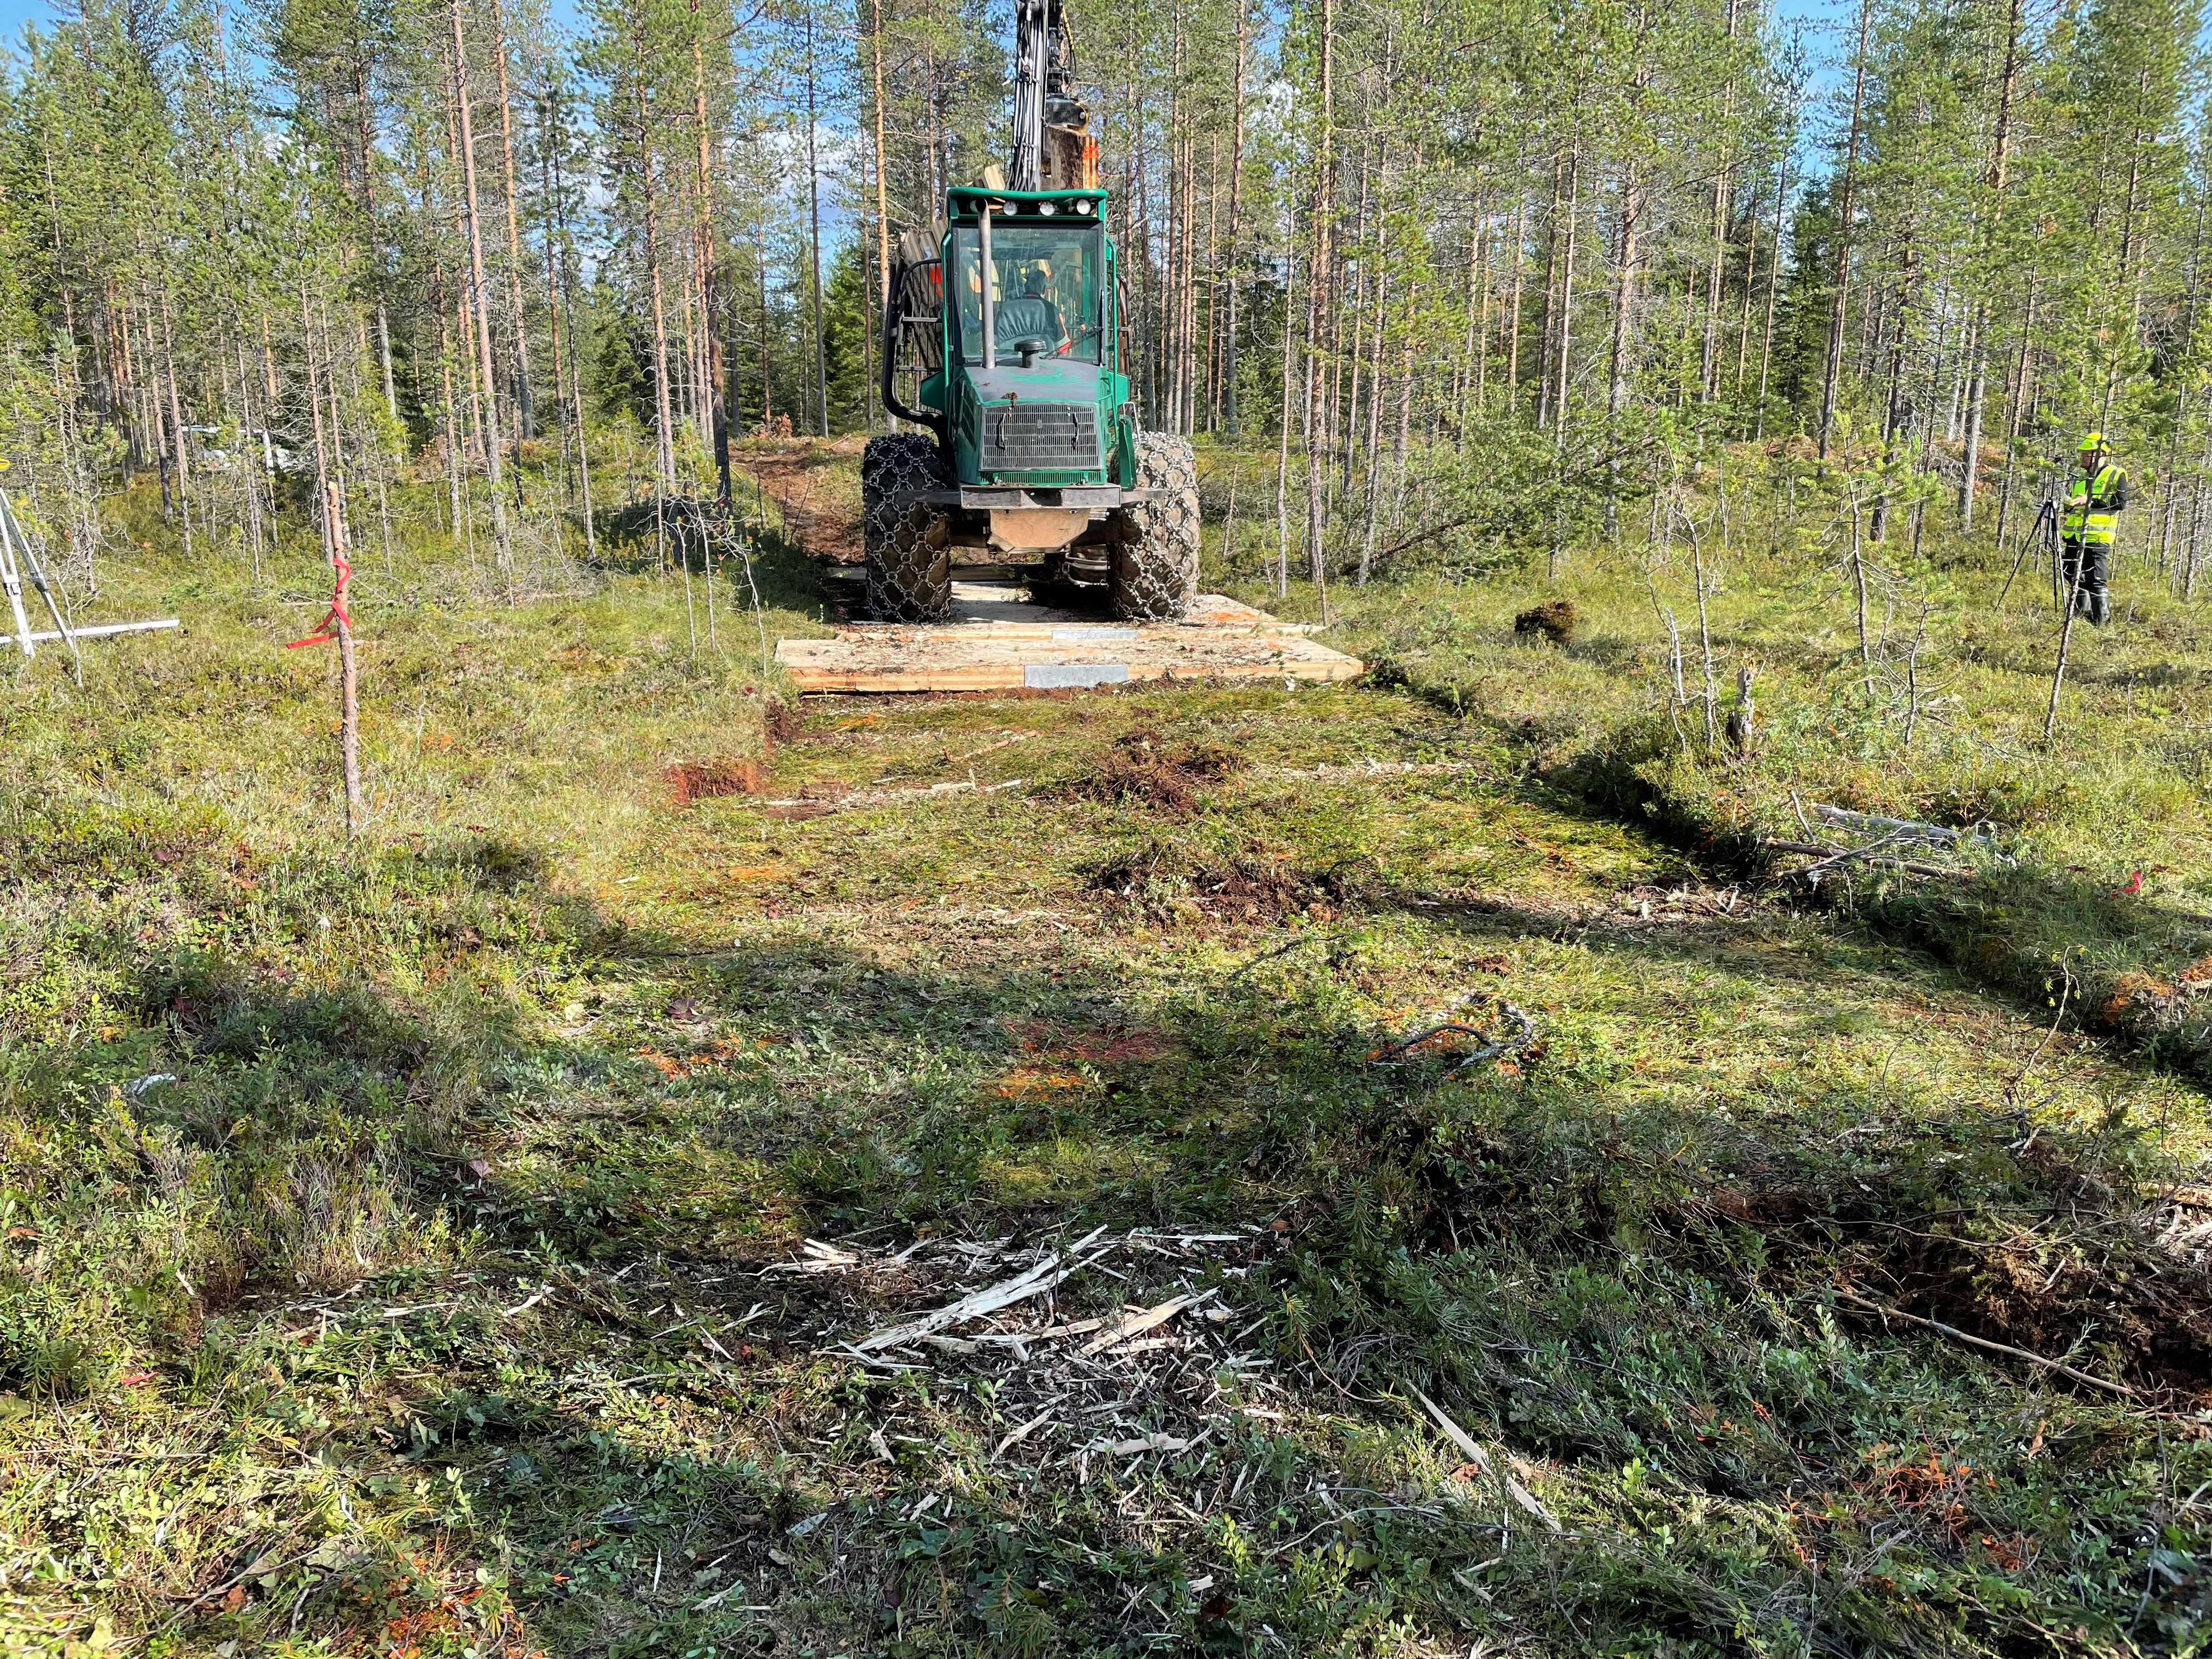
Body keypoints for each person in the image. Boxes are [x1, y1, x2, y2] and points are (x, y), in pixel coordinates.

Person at [2061, 431, 2128, 625]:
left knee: (2095, 578)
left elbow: (2120, 503)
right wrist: (2069, 505)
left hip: (2098, 536)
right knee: (2070, 572)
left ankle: (2101, 621)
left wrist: (2089, 501)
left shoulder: (2116, 474)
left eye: (2086, 454)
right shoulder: (2080, 477)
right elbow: (2077, 505)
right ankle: (2081, 614)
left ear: (2099, 454)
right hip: (2074, 535)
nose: (2082, 457)